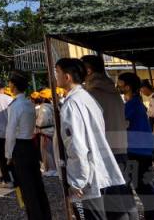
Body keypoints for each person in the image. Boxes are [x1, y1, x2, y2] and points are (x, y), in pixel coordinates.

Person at [55, 58, 129, 220]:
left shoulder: (72, 103)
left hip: (86, 175)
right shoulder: (87, 98)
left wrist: (77, 180)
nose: (56, 77)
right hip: (97, 166)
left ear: (67, 77)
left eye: (57, 72)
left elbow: (76, 145)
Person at [81, 55, 137, 220]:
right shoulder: (113, 92)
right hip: (121, 146)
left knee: (112, 202)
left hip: (105, 150)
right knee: (124, 195)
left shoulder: (92, 94)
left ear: (88, 70)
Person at [116, 72, 154, 220]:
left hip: (137, 150)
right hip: (140, 149)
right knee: (143, 185)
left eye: (120, 84)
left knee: (144, 186)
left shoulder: (132, 105)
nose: (117, 87)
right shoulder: (135, 103)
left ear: (128, 87)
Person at [5, 71, 51, 220]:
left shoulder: (15, 105)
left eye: (10, 82)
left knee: (27, 187)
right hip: (31, 145)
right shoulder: (29, 103)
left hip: (20, 147)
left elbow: (11, 131)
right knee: (37, 184)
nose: (9, 85)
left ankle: (35, 216)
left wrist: (8, 154)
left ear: (14, 86)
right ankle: (45, 215)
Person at [36, 88, 57, 176]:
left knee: (46, 151)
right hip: (51, 131)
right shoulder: (51, 106)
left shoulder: (44, 107)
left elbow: (42, 121)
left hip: (45, 132)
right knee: (51, 150)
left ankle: (51, 168)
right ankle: (51, 168)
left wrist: (36, 123)